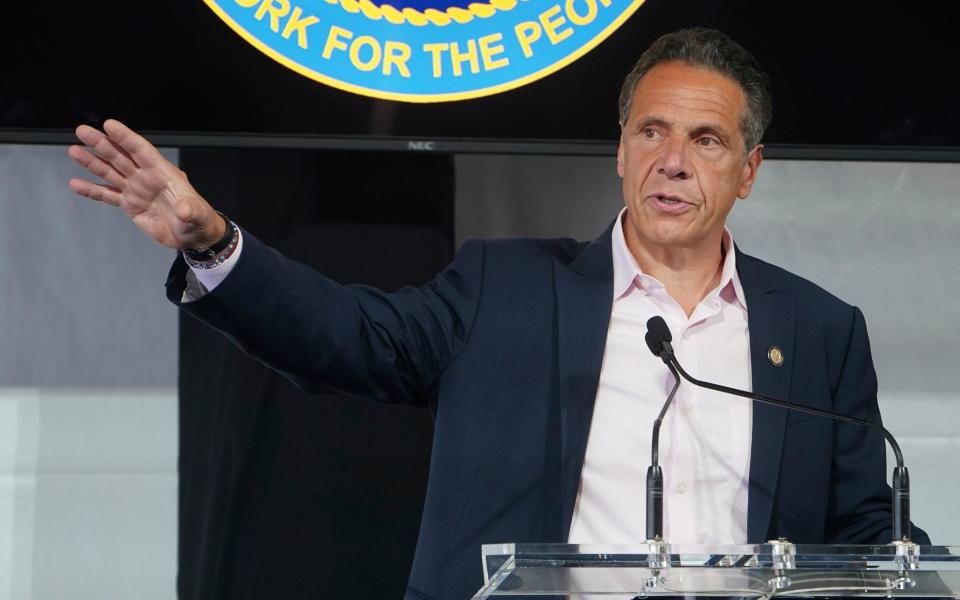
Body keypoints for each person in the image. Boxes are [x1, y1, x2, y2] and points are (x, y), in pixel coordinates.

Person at [68, 27, 928, 600]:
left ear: (749, 170)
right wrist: (213, 241)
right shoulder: (506, 289)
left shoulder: (817, 331)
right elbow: (346, 339)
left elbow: (866, 530)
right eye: (651, 133)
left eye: (705, 141)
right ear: (620, 151)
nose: (672, 162)